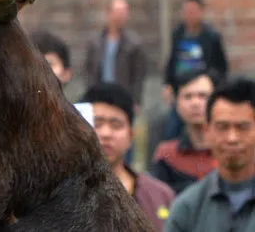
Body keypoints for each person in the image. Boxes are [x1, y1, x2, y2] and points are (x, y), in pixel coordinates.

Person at [166, 77, 255, 231]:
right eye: (222, 127)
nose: (232, 138)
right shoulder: (187, 207)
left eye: (242, 127)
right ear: (207, 131)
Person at [82, 82, 175, 231]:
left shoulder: (160, 196)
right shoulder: (59, 195)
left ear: (131, 135)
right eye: (97, 124)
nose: (106, 133)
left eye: (116, 125)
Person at [162, 0, 229, 141]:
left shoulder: (212, 36)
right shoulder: (178, 34)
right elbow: (171, 61)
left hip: (203, 89)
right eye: (186, 12)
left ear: (201, 12)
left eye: (193, 11)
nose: (189, 15)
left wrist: (210, 83)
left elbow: (222, 68)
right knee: (172, 129)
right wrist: (167, 84)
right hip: (182, 88)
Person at [151, 69, 217, 195]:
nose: (195, 103)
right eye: (188, 96)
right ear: (176, 103)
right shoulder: (166, 155)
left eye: (203, 96)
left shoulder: (232, 150)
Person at [84, 0, 148, 111]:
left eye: (124, 13)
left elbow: (138, 76)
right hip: (100, 94)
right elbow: (89, 70)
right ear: (109, 14)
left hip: (123, 95)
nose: (121, 16)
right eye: (118, 12)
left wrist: (136, 100)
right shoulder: (96, 43)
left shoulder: (133, 44)